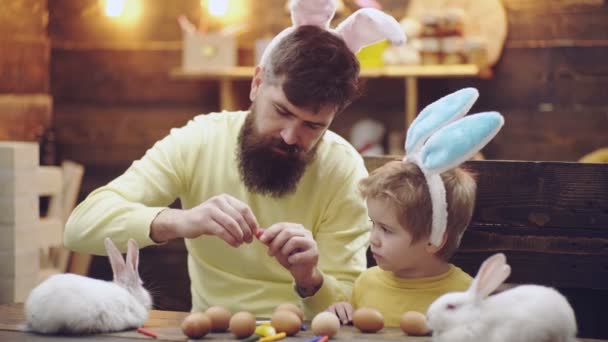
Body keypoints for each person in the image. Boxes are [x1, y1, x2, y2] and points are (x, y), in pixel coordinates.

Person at [64, 25, 369, 319]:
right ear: (257, 83)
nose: (290, 136)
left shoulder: (343, 169)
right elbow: (80, 228)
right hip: (213, 329)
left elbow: (346, 303)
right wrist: (182, 220)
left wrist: (309, 279)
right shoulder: (200, 140)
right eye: (282, 112)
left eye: (312, 126)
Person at [327, 160, 476, 327]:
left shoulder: (466, 295)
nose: (373, 239)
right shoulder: (366, 284)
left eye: (386, 230)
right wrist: (343, 312)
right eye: (372, 223)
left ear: (434, 241)